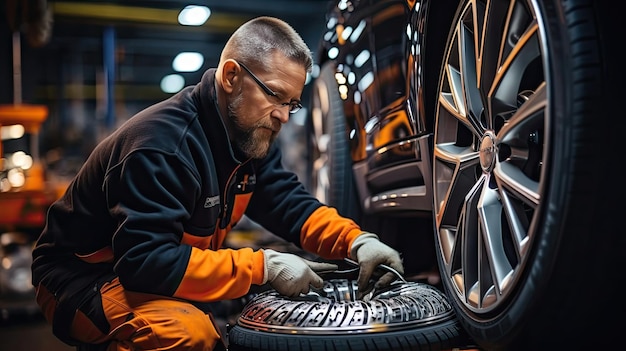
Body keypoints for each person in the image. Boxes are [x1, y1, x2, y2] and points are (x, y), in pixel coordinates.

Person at [31, 16, 404, 351]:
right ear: (230, 77)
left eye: (292, 103)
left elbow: (288, 203)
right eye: (275, 95)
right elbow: (144, 263)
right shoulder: (161, 147)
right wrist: (263, 267)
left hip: (149, 268)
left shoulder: (249, 139)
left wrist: (356, 241)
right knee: (188, 336)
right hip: (81, 279)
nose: (284, 116)